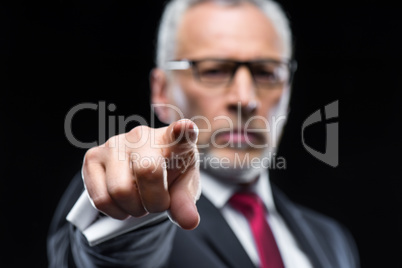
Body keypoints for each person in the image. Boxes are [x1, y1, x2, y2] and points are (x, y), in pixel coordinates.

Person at [48, 0, 360, 267]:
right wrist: (133, 213)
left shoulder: (331, 239)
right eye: (213, 70)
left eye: (267, 72)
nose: (244, 98)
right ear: (161, 91)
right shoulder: (123, 200)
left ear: (288, 89)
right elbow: (106, 256)